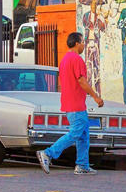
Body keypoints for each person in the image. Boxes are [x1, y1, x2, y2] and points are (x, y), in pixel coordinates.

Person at [37, 32, 105, 175]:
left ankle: (82, 165)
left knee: (83, 135)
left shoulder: (65, 59)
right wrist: (95, 96)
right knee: (75, 133)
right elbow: (81, 80)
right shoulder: (76, 59)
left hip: (71, 102)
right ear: (76, 43)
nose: (83, 45)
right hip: (76, 104)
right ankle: (48, 153)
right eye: (82, 42)